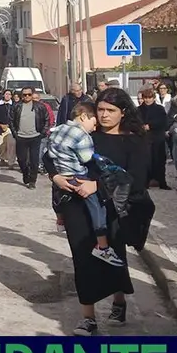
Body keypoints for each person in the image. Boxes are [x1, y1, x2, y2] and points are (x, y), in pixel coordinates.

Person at [46, 88, 144, 335]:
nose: (103, 115)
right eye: (100, 109)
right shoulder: (85, 133)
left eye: (110, 111)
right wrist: (55, 176)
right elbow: (52, 154)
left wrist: (97, 186)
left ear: (123, 112)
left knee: (112, 253)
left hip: (113, 206)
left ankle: (119, 300)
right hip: (75, 202)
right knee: (82, 256)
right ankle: (88, 318)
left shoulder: (134, 139)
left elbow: (137, 179)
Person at [46, 101, 122, 266]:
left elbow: (48, 153)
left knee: (57, 195)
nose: (94, 128)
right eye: (93, 123)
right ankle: (102, 246)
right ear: (83, 117)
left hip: (62, 175)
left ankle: (60, 219)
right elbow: (86, 158)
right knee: (97, 209)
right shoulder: (82, 135)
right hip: (79, 177)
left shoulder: (58, 129)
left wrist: (55, 175)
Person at [10, 87, 49, 188]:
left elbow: (47, 119)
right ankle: (26, 175)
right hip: (21, 137)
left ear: (32, 95)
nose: (27, 96)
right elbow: (11, 120)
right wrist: (15, 134)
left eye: (29, 94)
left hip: (35, 137)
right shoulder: (17, 106)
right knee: (22, 159)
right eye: (24, 95)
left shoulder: (40, 106)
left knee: (34, 160)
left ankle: (32, 181)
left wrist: (42, 133)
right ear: (21, 96)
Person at [137, 88, 171, 190]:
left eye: (149, 98)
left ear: (153, 98)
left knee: (160, 160)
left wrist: (151, 126)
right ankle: (145, 182)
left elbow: (163, 122)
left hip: (157, 138)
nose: (147, 100)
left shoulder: (159, 109)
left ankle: (162, 182)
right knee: (146, 161)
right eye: (145, 98)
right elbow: (134, 122)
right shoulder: (138, 110)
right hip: (144, 138)